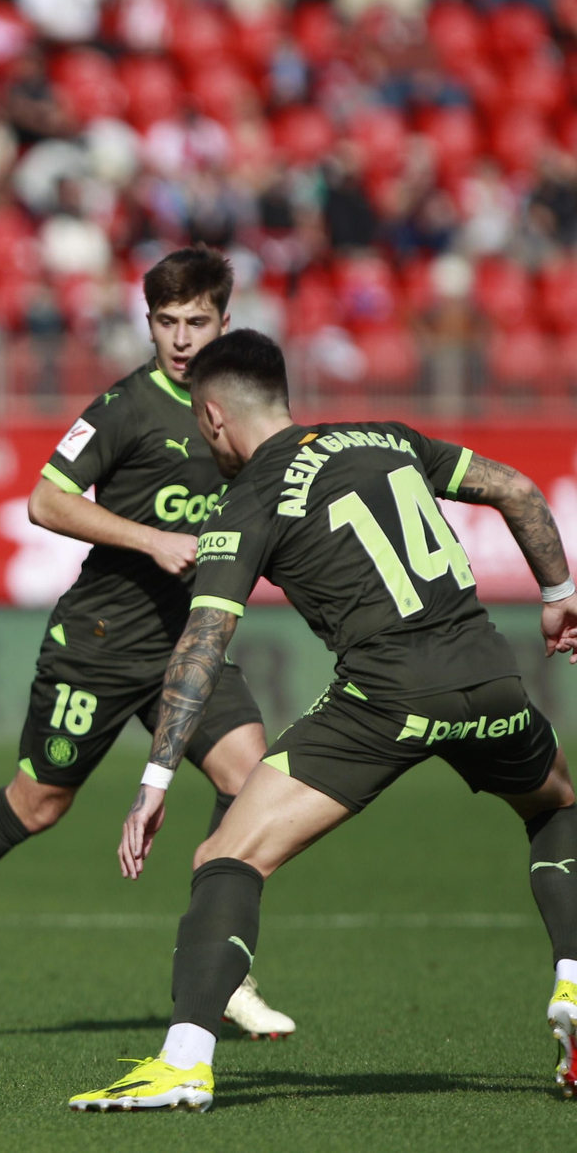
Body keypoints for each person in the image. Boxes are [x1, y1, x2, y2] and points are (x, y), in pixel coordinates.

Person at [69, 330, 577, 1112]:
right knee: (555, 806)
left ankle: (183, 1061)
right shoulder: (386, 435)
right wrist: (556, 596)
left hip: (388, 696)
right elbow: (514, 487)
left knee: (226, 855)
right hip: (492, 677)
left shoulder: (249, 500)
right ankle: (573, 981)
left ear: (211, 417)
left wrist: (157, 774)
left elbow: (203, 644)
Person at [0, 248, 294, 1037]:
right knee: (39, 804)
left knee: (250, 776)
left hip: (186, 642)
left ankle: (220, 969)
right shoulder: (127, 406)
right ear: (149, 322)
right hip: (99, 641)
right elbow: (44, 500)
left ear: (226, 321)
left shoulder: (244, 407)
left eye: (199, 322)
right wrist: (151, 539)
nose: (183, 339)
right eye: (167, 322)